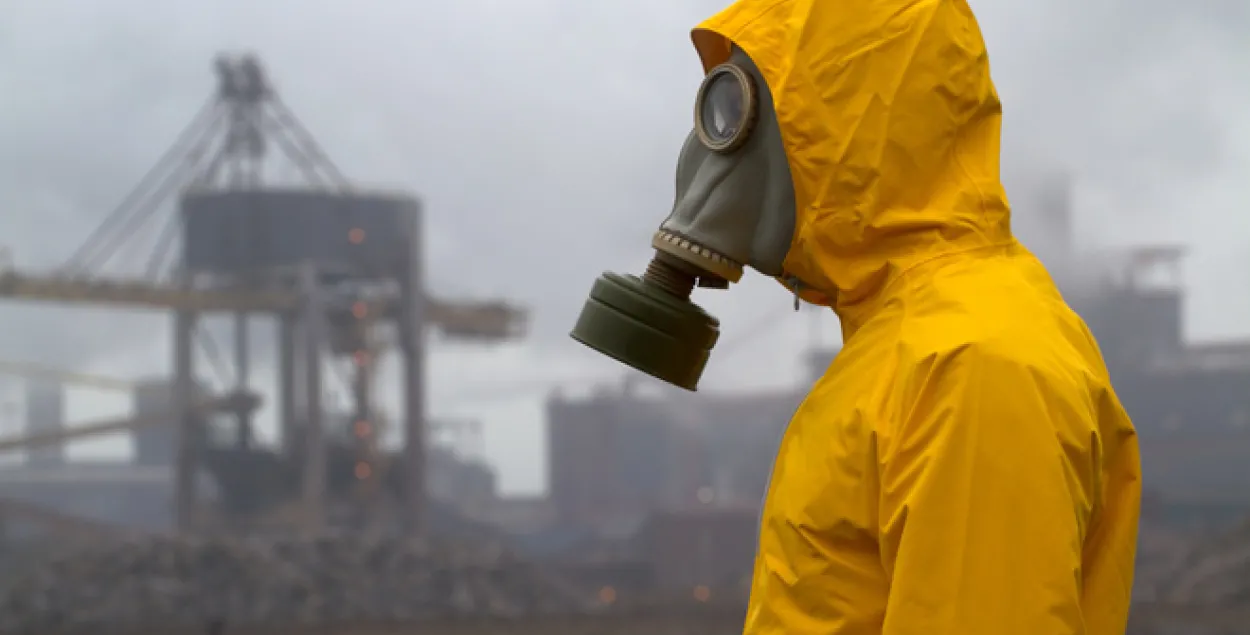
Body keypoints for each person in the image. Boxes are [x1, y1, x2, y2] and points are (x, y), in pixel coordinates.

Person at [683, 1, 1143, 633]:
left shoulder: (971, 365)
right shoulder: (900, 350)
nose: (717, 152)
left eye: (743, 114)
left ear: (842, 126)